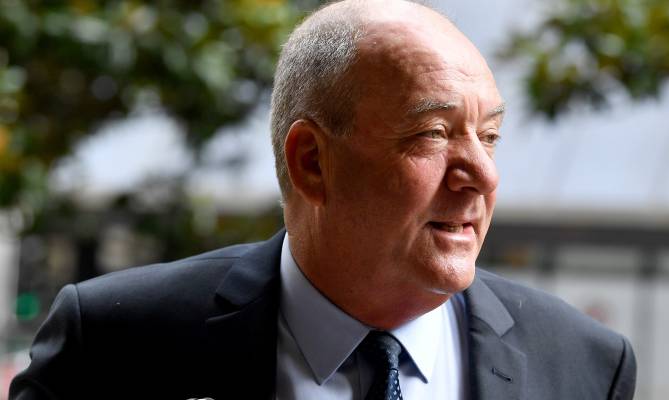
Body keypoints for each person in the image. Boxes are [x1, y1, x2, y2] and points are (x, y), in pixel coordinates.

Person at [10, 1, 636, 399]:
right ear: (312, 162)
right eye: (433, 134)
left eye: (489, 136)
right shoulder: (113, 345)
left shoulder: (585, 366)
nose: (481, 174)